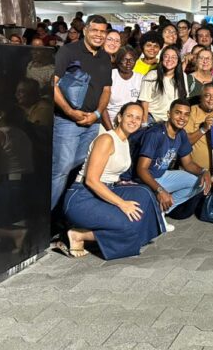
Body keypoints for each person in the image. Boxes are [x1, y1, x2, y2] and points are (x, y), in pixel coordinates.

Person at [59, 102, 163, 259]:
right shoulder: (107, 139)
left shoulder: (125, 141)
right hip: (82, 197)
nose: (133, 121)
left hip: (107, 189)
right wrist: (123, 204)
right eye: (129, 116)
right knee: (129, 225)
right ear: (120, 117)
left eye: (138, 118)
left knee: (145, 193)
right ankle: (78, 235)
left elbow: (111, 173)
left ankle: (122, 235)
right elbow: (92, 181)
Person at [51, 15, 112, 211]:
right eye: (95, 30)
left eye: (103, 31)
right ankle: (47, 218)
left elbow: (106, 90)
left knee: (79, 169)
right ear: (85, 30)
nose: (99, 35)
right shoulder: (68, 51)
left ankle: (66, 212)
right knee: (61, 169)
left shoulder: (104, 57)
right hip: (67, 122)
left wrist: (97, 114)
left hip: (92, 123)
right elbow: (52, 84)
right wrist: (70, 111)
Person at [131, 99, 211, 229]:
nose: (182, 118)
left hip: (161, 175)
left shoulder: (181, 134)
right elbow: (142, 169)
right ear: (169, 114)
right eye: (178, 113)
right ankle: (154, 213)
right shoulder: (155, 134)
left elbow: (188, 163)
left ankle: (159, 212)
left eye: (186, 114)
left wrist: (204, 171)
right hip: (145, 180)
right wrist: (160, 190)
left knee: (200, 183)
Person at [185, 83, 213, 171]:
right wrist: (203, 129)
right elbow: (185, 142)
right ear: (201, 98)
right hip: (197, 171)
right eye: (207, 95)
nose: (211, 99)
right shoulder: (191, 111)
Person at [139, 45, 188, 125]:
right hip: (153, 119)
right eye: (166, 56)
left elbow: (183, 99)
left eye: (173, 57)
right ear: (162, 59)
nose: (169, 60)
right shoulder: (152, 75)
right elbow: (145, 101)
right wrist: (144, 123)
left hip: (172, 120)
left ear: (178, 60)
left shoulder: (183, 76)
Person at [103, 46, 142, 130]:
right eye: (124, 60)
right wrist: (111, 131)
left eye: (131, 60)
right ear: (118, 60)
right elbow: (102, 107)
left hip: (131, 124)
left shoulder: (140, 79)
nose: (128, 63)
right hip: (109, 122)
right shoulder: (110, 75)